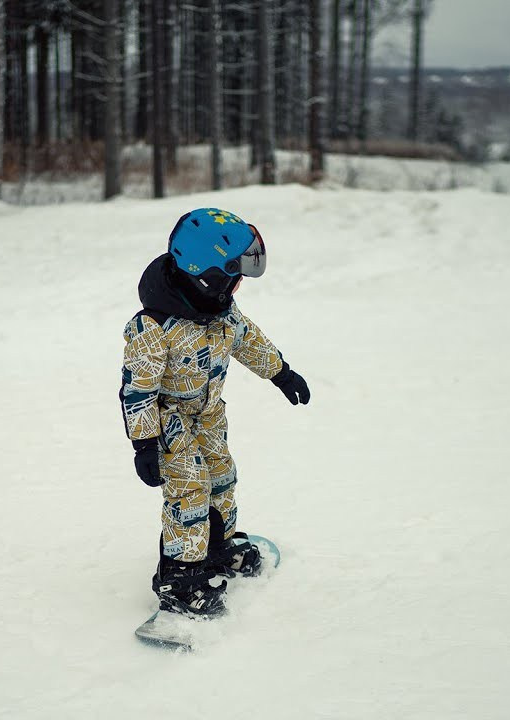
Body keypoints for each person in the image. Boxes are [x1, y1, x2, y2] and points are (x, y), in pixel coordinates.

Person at [120, 208, 311, 617]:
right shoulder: (152, 327)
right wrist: (144, 445)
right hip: (168, 422)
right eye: (234, 272)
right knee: (189, 492)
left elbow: (247, 339)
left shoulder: (221, 309)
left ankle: (218, 550)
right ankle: (181, 582)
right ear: (207, 273)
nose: (239, 281)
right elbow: (138, 392)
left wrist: (282, 373)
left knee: (222, 478)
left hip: (209, 415)